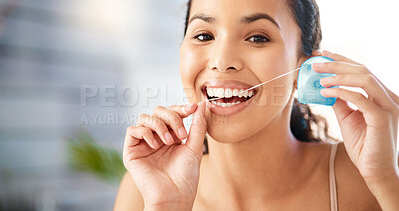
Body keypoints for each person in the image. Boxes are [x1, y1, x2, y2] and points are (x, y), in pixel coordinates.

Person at [114, 0, 399, 210]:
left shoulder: (364, 177)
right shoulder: (144, 189)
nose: (222, 61)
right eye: (204, 36)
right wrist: (167, 206)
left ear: (306, 68)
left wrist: (387, 183)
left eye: (257, 37)